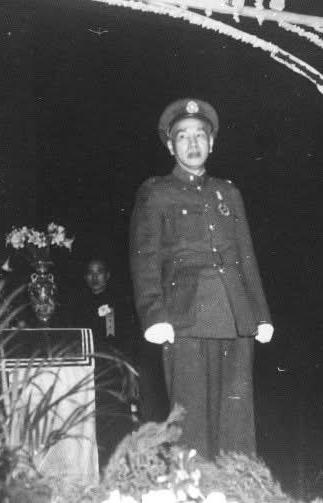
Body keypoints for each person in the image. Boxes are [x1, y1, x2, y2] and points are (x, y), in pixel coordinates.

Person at [129, 98, 273, 459]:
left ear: (212, 142)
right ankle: (192, 487)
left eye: (200, 136)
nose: (193, 144)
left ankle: (237, 486)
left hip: (235, 316)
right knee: (190, 422)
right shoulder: (156, 192)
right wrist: (153, 314)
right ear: (170, 145)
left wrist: (261, 314)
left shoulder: (229, 193)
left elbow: (246, 257)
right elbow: (145, 258)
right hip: (185, 317)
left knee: (236, 422)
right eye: (183, 136)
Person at [73, 258, 138, 470]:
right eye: (90, 273)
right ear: (85, 277)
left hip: (115, 370)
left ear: (107, 275)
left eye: (99, 272)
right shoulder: (78, 303)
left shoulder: (120, 300)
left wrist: (127, 370)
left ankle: (122, 465)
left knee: (118, 421)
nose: (95, 277)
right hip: (90, 371)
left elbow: (128, 337)